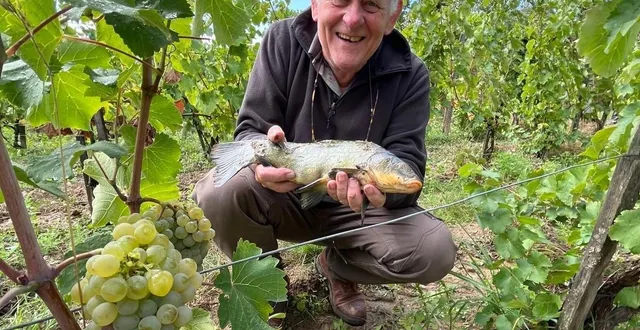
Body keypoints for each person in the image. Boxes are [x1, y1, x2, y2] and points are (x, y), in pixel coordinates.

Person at [192, 0, 457, 327]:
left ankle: (336, 266)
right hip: (289, 193)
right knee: (217, 193)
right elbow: (251, 129)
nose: (353, 18)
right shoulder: (281, 41)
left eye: (372, 4)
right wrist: (260, 157)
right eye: (340, 1)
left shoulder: (410, 73)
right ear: (315, 5)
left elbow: (410, 170)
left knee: (435, 250)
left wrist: (388, 193)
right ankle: (269, 287)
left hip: (360, 212)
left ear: (394, 15)